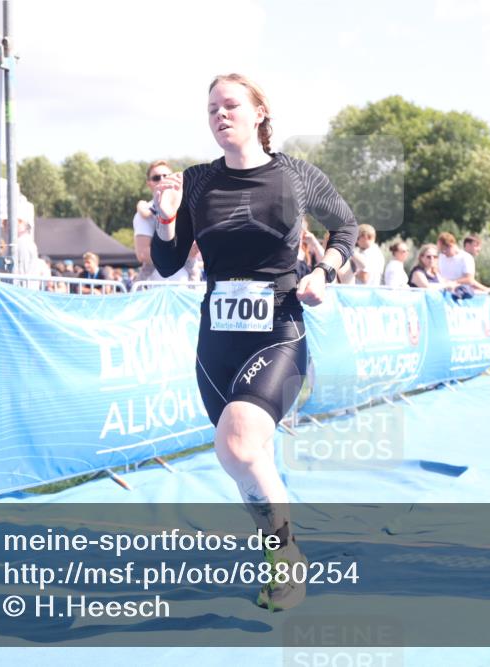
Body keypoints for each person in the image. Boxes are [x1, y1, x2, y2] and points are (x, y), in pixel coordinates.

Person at [149, 73, 357, 611]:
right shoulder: (196, 182)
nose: (219, 114)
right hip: (215, 342)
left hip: (279, 329)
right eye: (211, 108)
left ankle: (286, 557)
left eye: (231, 105)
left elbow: (347, 228)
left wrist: (325, 271)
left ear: (260, 113)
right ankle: (279, 552)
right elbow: (170, 264)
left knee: (237, 445)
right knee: (244, 459)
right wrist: (167, 221)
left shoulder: (294, 175)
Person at [134, 161, 195, 284]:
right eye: (156, 177)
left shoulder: (188, 206)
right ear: (149, 183)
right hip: (158, 289)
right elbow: (142, 254)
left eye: (166, 176)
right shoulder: (145, 212)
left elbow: (196, 248)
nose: (162, 180)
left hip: (189, 288)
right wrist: (181, 251)